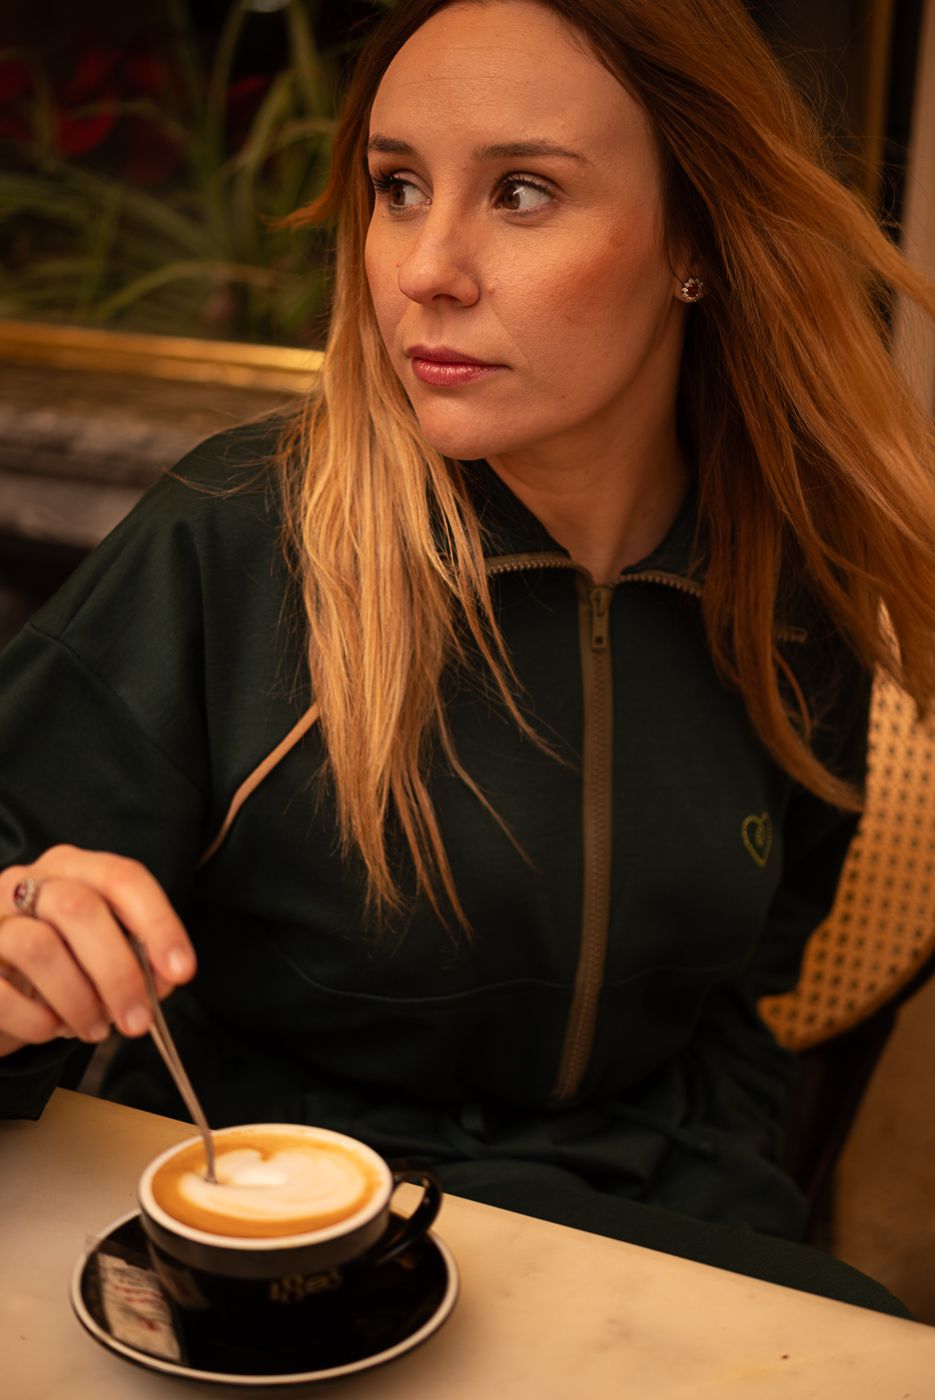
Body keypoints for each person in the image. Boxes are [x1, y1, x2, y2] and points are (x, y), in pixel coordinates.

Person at [1, 0, 934, 1316]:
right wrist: (16, 958)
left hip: (642, 1240)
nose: (425, 268)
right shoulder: (239, 539)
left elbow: (748, 988)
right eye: (397, 188)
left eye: (522, 192)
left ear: (694, 239)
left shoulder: (796, 582)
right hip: (273, 1233)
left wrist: (720, 1193)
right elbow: (16, 903)